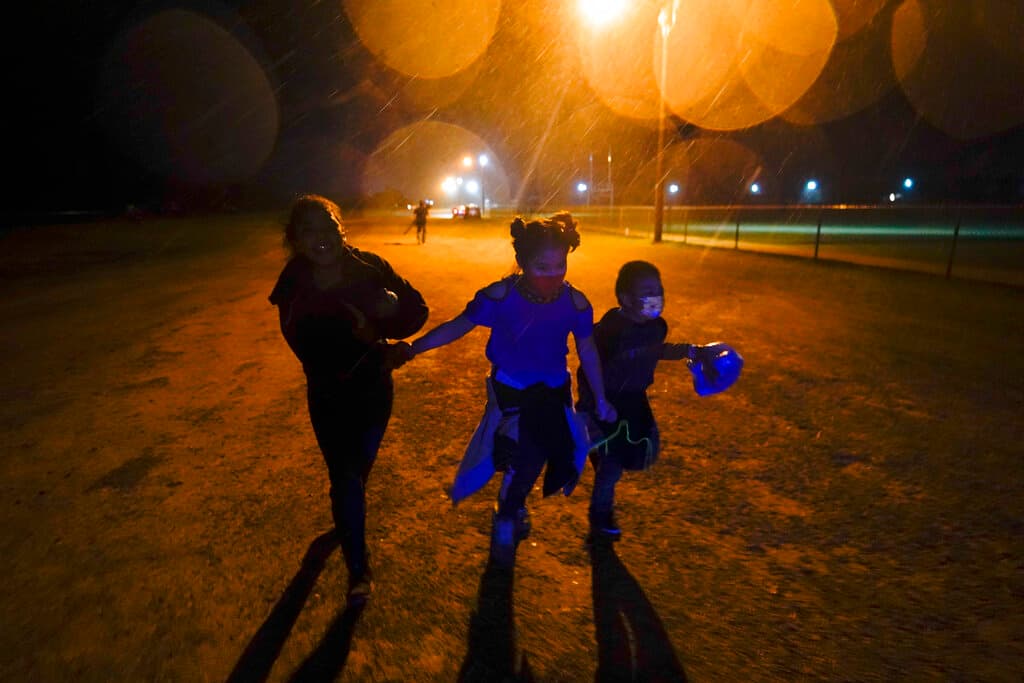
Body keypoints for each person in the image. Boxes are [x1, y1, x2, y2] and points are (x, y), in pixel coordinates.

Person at [390, 211, 616, 568]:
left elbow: (586, 349)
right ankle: (507, 515)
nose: (552, 275)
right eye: (542, 266)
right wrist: (414, 347)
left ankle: (513, 502)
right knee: (522, 454)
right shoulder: (500, 296)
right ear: (522, 262)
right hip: (511, 391)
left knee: (537, 458)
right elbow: (459, 325)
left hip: (554, 393)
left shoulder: (576, 303)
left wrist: (601, 397)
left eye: (560, 265)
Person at [269, 194, 428, 604]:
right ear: (296, 240)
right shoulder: (293, 282)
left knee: (359, 472)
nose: (321, 238)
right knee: (344, 475)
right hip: (327, 392)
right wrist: (364, 336)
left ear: (342, 230)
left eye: (329, 228)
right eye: (309, 231)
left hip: (375, 389)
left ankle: (346, 514)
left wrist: (383, 321)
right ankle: (359, 569)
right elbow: (300, 341)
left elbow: (417, 310)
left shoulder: (370, 267)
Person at [576, 260, 702, 541]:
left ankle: (599, 452)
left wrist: (690, 351)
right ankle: (600, 516)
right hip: (604, 403)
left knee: (643, 452)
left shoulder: (657, 326)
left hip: (634, 400)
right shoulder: (609, 330)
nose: (656, 296)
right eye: (646, 291)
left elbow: (656, 350)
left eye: (658, 289)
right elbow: (588, 367)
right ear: (625, 298)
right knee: (611, 467)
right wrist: (594, 403)